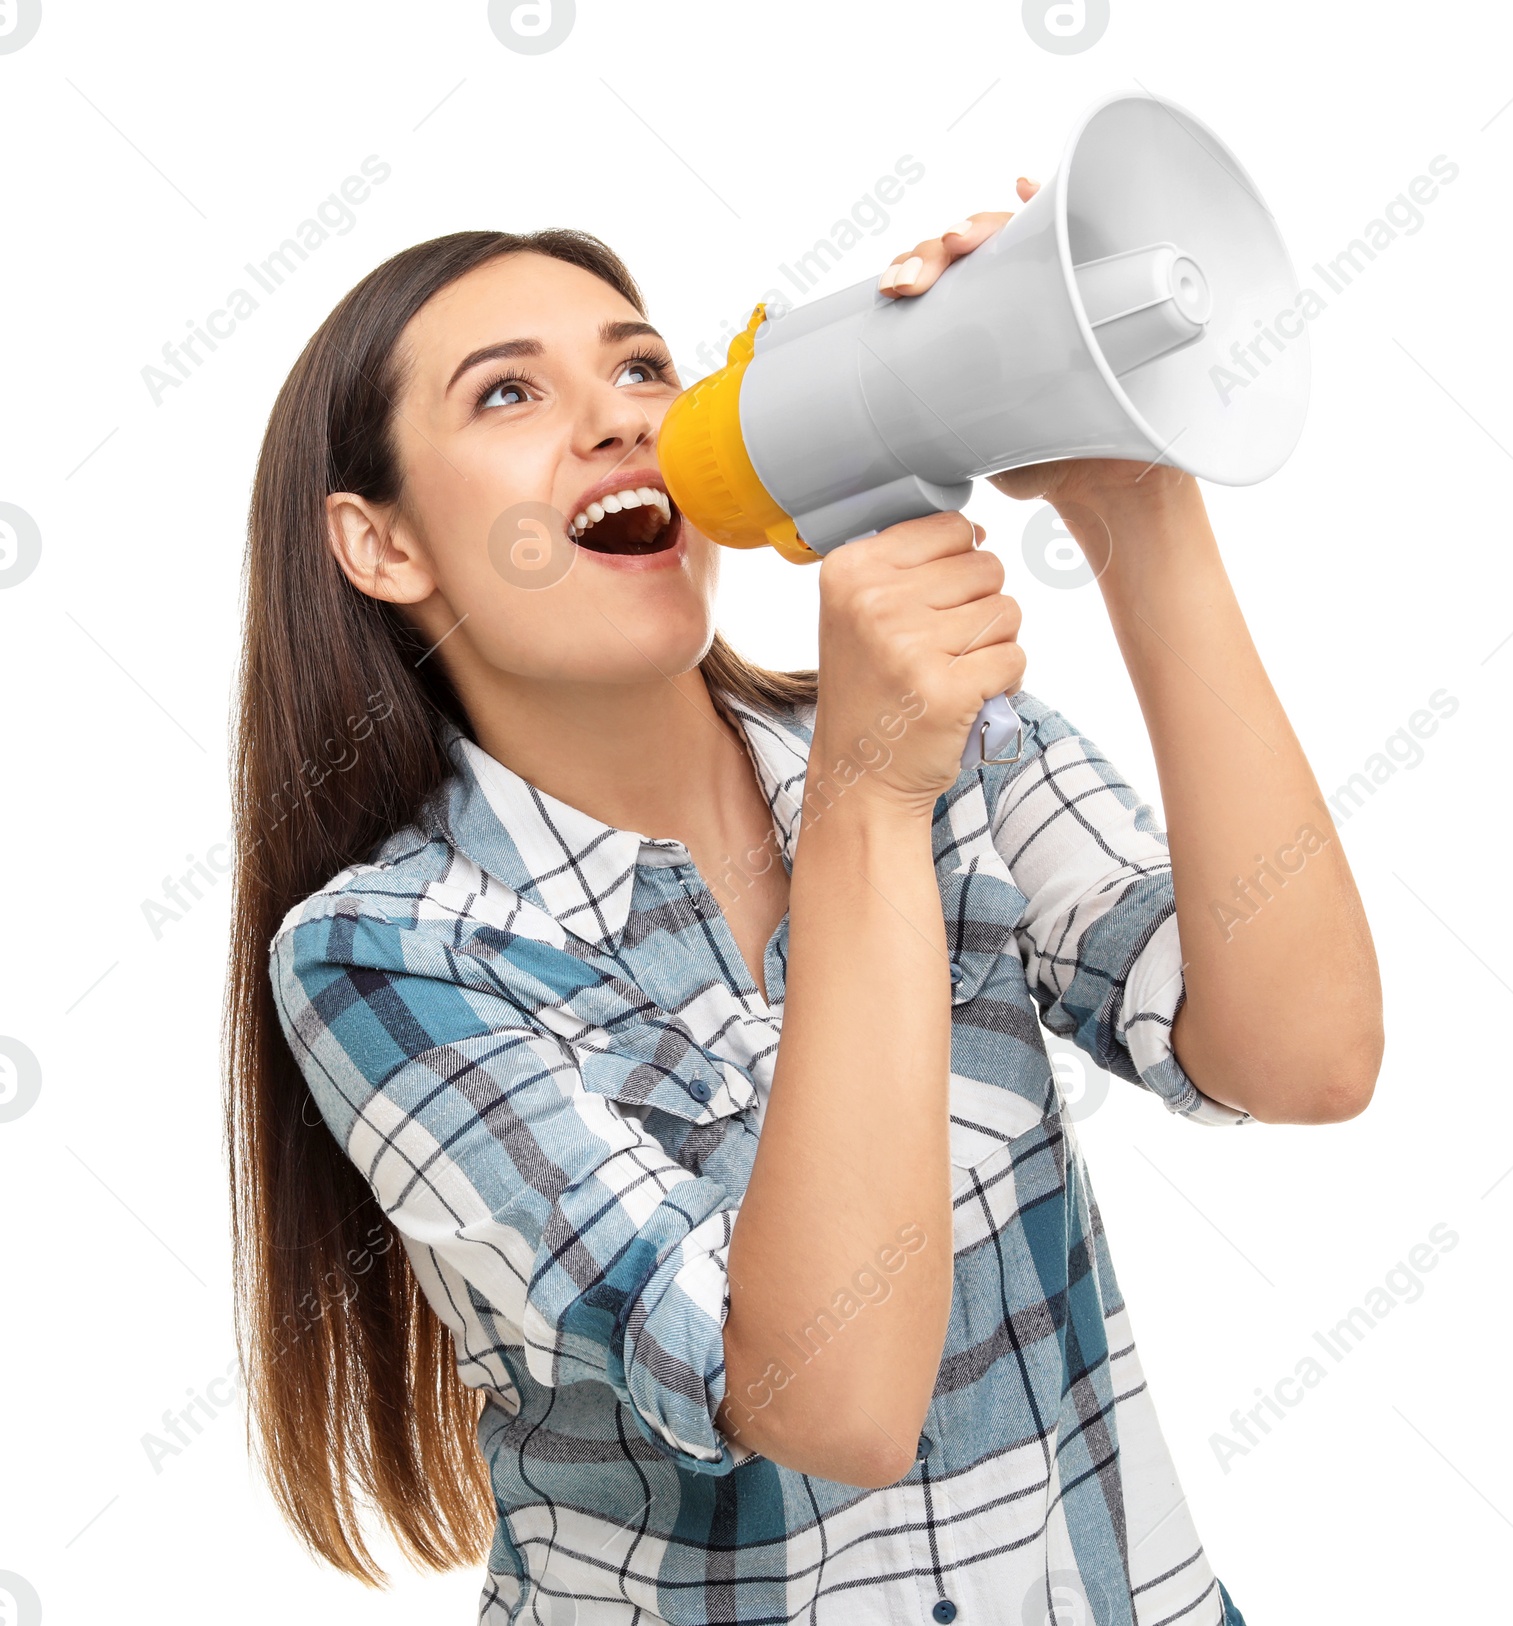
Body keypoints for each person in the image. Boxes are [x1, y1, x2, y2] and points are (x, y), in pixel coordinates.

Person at [224, 181, 1382, 1626]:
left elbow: (1303, 1053)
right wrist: (866, 810)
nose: (617, 416)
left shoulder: (962, 747)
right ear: (381, 544)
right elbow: (819, 1394)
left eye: (643, 365)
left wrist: (1135, 502)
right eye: (509, 392)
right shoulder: (392, 949)